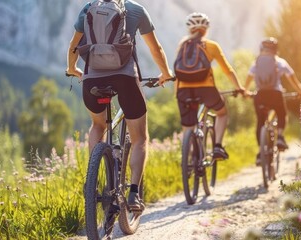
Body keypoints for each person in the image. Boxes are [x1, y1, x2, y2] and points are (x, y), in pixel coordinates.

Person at [65, 0, 174, 210]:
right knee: (140, 138)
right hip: (125, 78)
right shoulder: (136, 9)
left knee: (98, 125)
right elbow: (155, 48)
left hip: (92, 78)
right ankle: (133, 194)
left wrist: (72, 69)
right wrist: (166, 73)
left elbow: (74, 46)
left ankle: (92, 182)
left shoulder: (89, 8)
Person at [175, 12, 245, 159]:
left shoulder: (182, 45)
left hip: (183, 91)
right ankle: (218, 147)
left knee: (188, 127)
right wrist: (239, 87)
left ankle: (190, 158)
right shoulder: (211, 46)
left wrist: (177, 94)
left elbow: (178, 72)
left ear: (190, 30)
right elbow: (228, 70)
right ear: (206, 29)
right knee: (222, 113)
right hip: (206, 89)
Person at [243, 37, 301, 165]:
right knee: (282, 114)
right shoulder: (279, 61)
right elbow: (291, 77)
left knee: (260, 121)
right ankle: (280, 137)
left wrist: (245, 91)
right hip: (276, 94)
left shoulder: (256, 62)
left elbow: (249, 77)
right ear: (275, 50)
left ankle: (261, 154)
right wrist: (300, 91)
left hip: (260, 95)